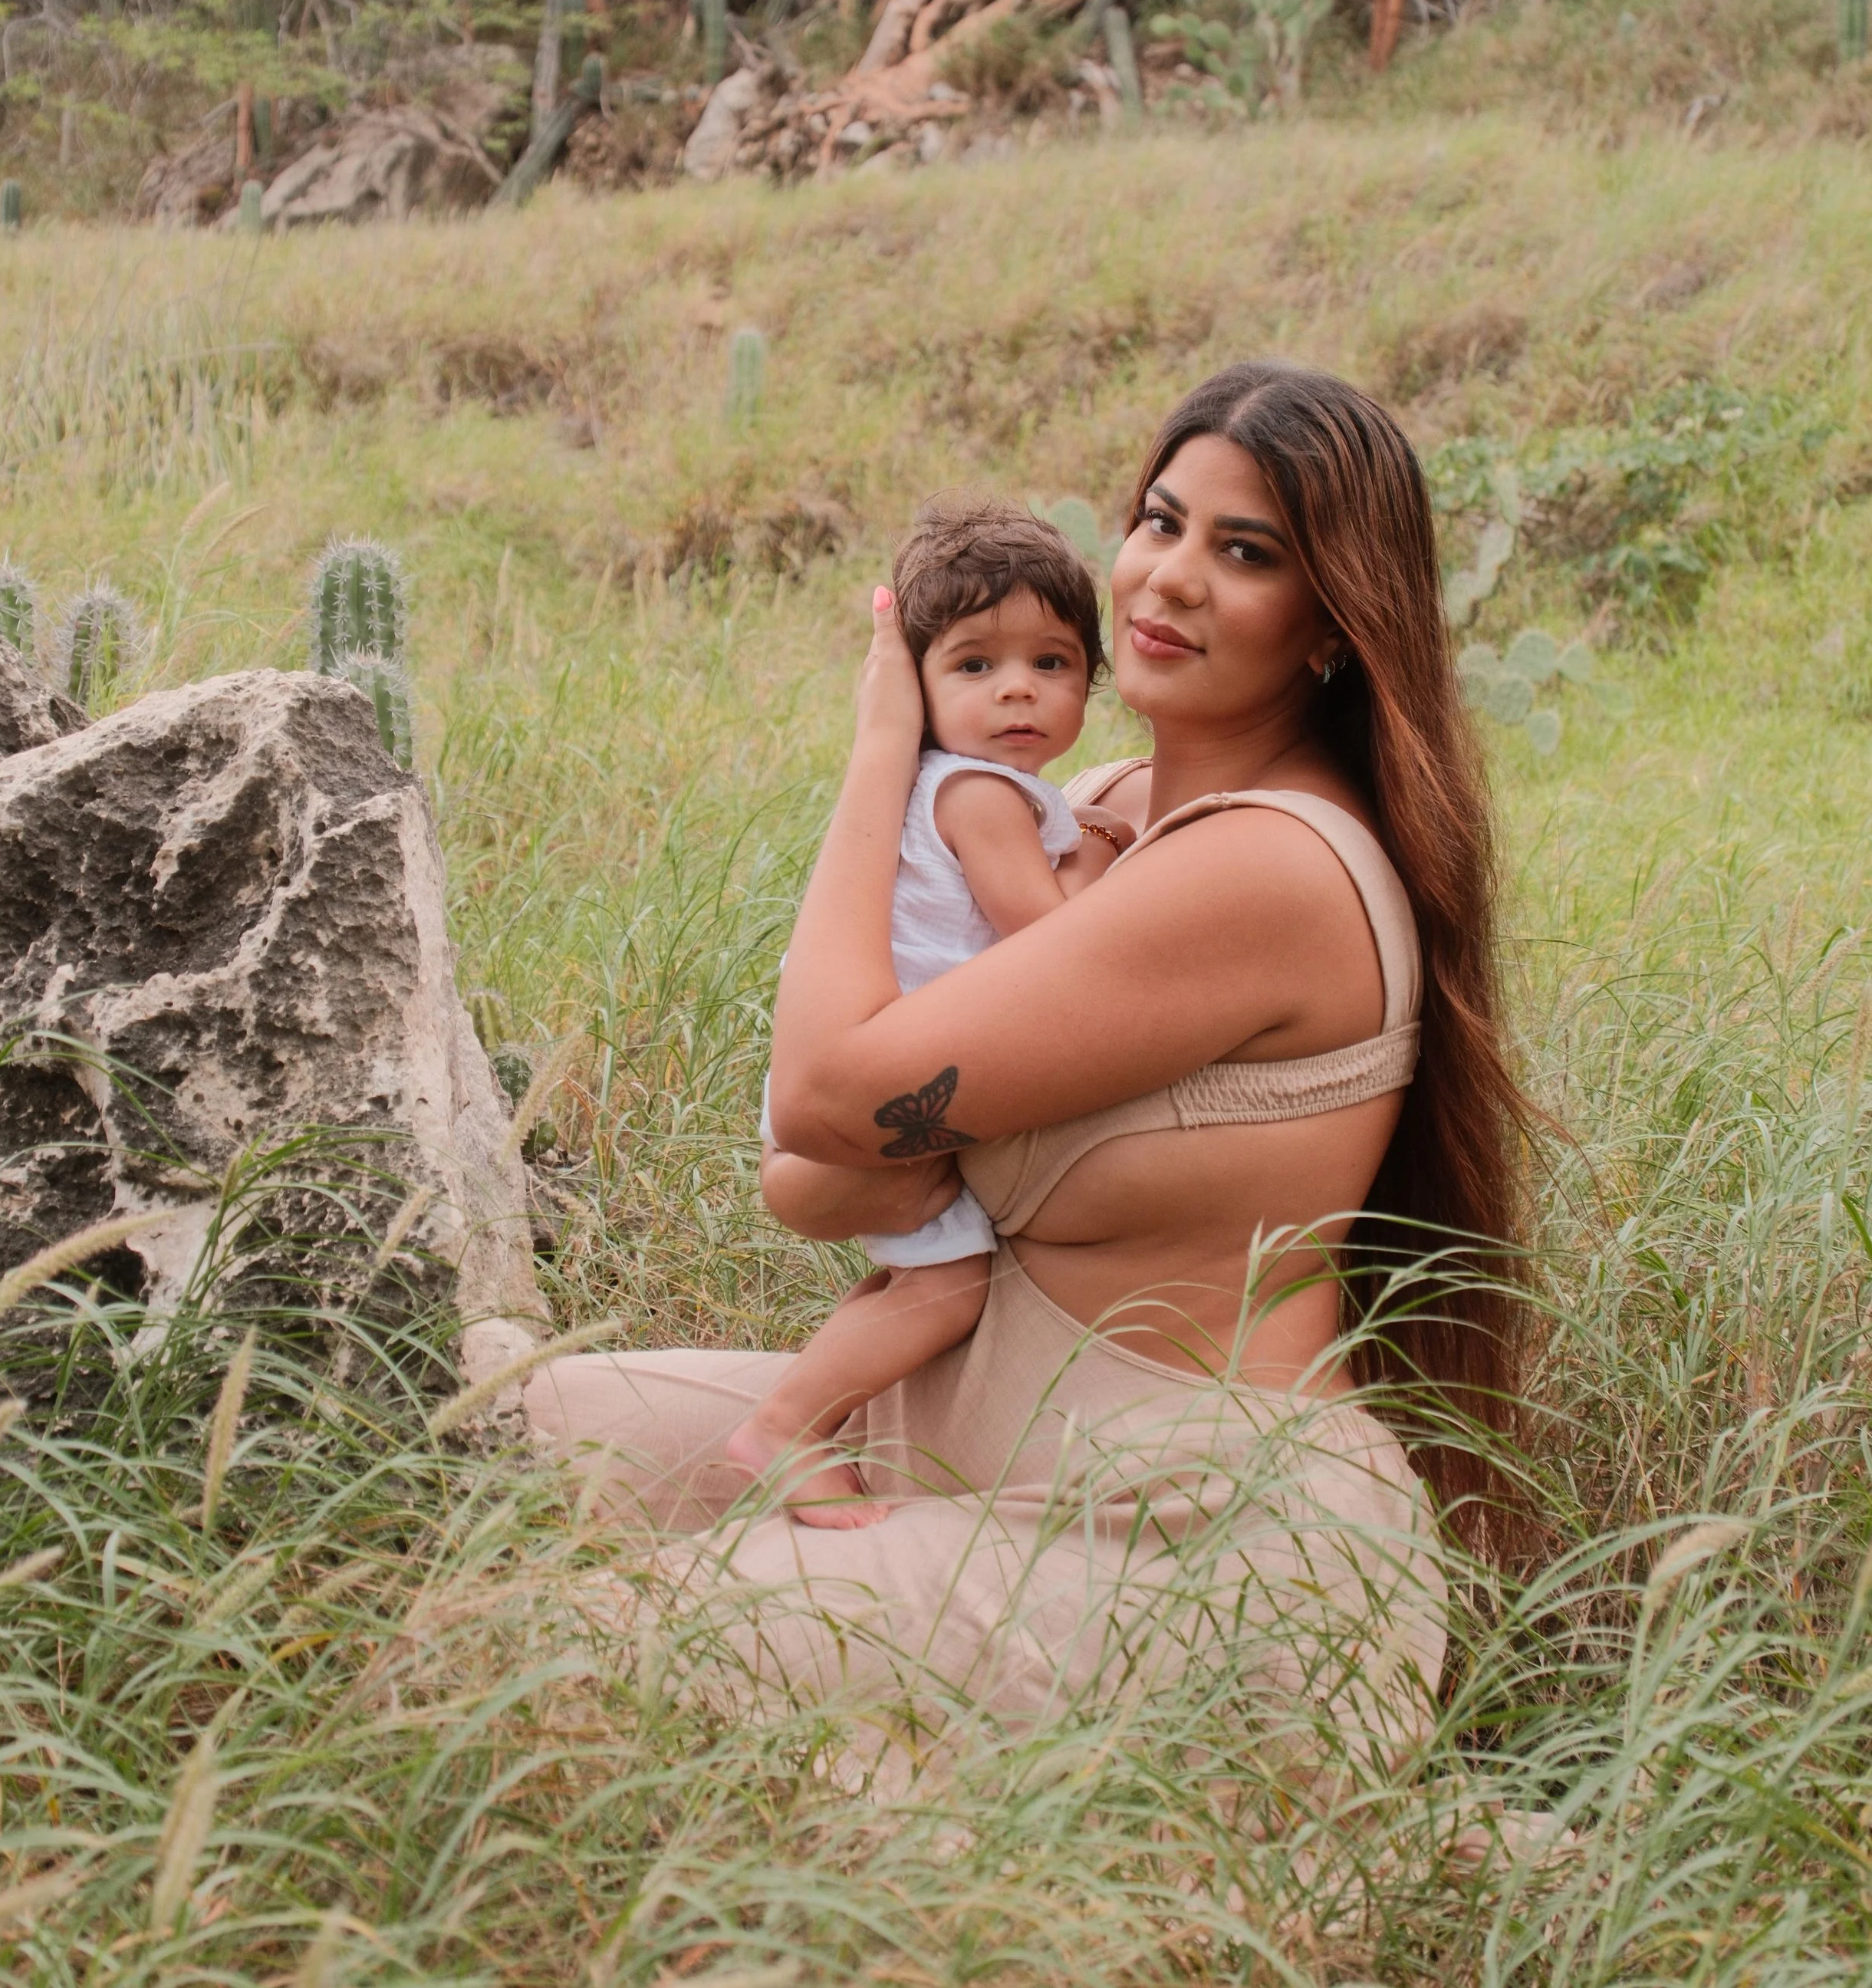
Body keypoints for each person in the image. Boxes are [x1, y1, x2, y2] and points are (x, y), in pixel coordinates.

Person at [525, 361, 1531, 1774]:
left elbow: (822, 1092)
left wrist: (887, 749)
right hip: (947, 1440)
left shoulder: (1268, 869)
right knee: (512, 1439)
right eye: (1160, 521)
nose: (1167, 579)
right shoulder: (1102, 816)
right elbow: (815, 1175)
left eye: (1243, 553)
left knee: (568, 1654)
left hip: (1180, 1551)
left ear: (1330, 623)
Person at [731, 498, 1122, 1524]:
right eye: (974, 665)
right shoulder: (982, 796)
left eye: (1052, 662)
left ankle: (830, 1414)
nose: (1018, 692)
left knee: (925, 1278)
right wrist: (1103, 864)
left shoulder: (975, 789)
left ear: (1093, 678)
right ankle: (787, 1423)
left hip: (884, 1084)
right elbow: (1051, 941)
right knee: (950, 1289)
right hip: (881, 1098)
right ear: (914, 680)